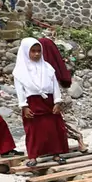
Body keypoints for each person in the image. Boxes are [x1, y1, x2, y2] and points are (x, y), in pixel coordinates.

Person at [13, 37, 70, 167]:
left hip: (48, 102)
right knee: (34, 130)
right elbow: (20, 90)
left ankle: (56, 153)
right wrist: (24, 106)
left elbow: (54, 85)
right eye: (33, 51)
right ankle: (33, 156)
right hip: (32, 102)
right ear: (26, 52)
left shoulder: (48, 67)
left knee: (54, 129)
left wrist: (57, 101)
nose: (37, 54)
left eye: (39, 51)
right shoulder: (20, 71)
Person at [38, 37, 85, 152]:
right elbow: (65, 77)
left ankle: (54, 146)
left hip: (53, 96)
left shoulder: (43, 65)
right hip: (64, 94)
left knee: (53, 120)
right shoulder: (57, 61)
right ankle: (80, 141)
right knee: (69, 118)